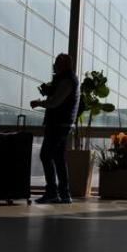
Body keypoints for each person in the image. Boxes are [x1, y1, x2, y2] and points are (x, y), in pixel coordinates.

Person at [30, 54, 80, 204]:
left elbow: (56, 102)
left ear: (65, 64)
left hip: (58, 124)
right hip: (63, 124)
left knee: (46, 155)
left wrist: (39, 103)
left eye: (58, 62)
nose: (55, 65)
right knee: (58, 158)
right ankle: (64, 193)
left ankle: (52, 192)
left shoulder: (67, 80)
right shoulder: (68, 79)